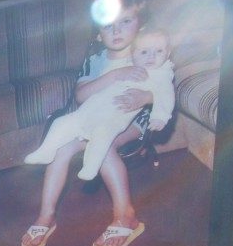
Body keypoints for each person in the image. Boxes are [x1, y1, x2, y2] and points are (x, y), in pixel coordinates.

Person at [20, 0, 156, 246]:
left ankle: (125, 215)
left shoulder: (149, 54)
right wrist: (112, 77)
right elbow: (81, 95)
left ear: (141, 26)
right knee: (61, 148)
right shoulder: (94, 61)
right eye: (108, 26)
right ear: (98, 33)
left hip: (132, 123)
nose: (116, 31)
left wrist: (146, 96)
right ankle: (46, 215)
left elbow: (164, 90)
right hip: (93, 120)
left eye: (125, 21)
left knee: (101, 145)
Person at [26, 27, 174, 183]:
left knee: (102, 137)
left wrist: (160, 117)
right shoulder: (127, 65)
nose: (151, 56)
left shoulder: (162, 74)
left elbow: (166, 96)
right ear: (134, 53)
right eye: (144, 52)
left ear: (168, 53)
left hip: (113, 118)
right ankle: (45, 151)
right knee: (61, 122)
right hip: (89, 111)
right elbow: (98, 81)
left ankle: (91, 167)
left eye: (158, 51)